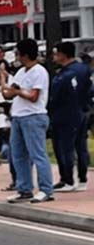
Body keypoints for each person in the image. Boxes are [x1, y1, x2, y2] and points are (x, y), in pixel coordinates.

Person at [0, 38, 53, 203]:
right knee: (18, 155)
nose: (16, 57)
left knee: (38, 154)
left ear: (25, 54)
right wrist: (2, 81)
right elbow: (7, 94)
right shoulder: (21, 72)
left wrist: (17, 91)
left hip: (34, 116)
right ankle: (24, 188)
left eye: (18, 53)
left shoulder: (39, 71)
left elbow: (33, 97)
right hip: (18, 116)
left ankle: (46, 189)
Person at [47, 41, 91, 192]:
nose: (53, 57)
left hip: (64, 114)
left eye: (55, 53)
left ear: (62, 55)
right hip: (82, 111)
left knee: (64, 147)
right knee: (81, 145)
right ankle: (83, 179)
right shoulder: (85, 69)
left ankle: (67, 179)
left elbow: (55, 97)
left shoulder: (64, 75)